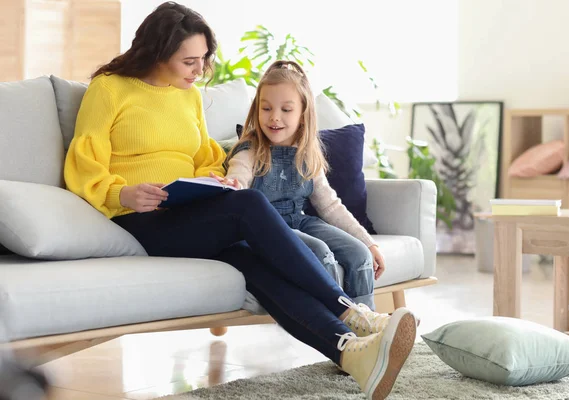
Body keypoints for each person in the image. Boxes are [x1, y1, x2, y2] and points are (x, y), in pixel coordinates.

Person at [63, 2, 417, 399]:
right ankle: (353, 313)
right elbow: (83, 163)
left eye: (203, 60)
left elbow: (205, 157)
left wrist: (212, 179)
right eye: (190, 61)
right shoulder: (109, 88)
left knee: (249, 260)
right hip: (138, 218)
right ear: (158, 52)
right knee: (248, 205)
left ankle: (350, 352)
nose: (199, 71)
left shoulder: (189, 96)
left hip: (188, 212)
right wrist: (122, 192)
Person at [219, 60, 380, 311]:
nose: (274, 117)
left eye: (286, 109)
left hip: (300, 220)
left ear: (303, 112)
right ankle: (339, 327)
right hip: (268, 229)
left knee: (360, 254)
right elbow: (238, 179)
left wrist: (368, 242)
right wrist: (231, 186)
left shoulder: (307, 153)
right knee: (320, 254)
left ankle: (369, 325)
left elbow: (330, 206)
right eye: (266, 108)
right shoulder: (249, 150)